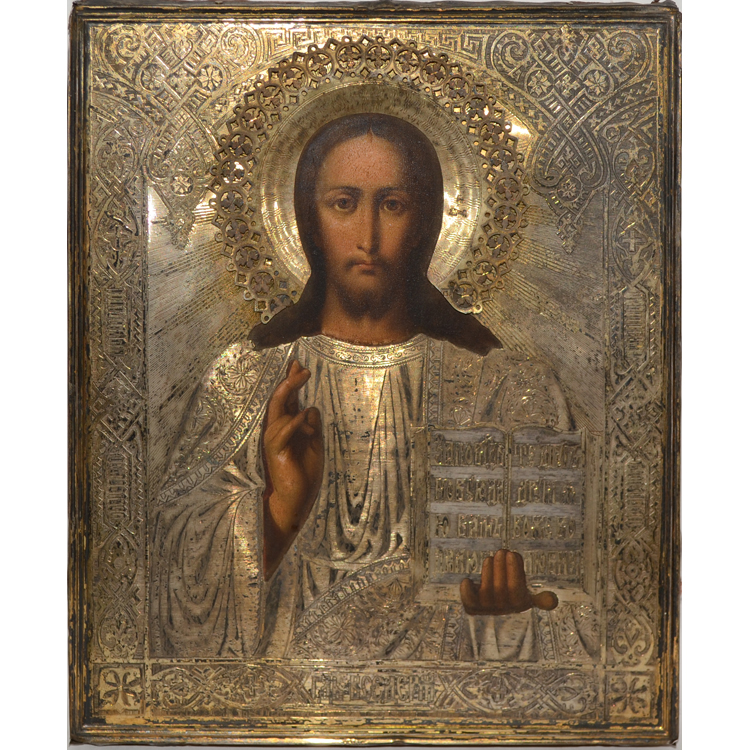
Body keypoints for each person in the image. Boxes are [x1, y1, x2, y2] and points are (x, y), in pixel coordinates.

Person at [152, 114, 578, 661]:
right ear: (308, 218)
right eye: (344, 203)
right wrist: (279, 510)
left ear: (426, 221)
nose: (368, 237)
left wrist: (514, 605)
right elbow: (168, 579)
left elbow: (584, 601)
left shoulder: (503, 388)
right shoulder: (247, 378)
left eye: (393, 205)